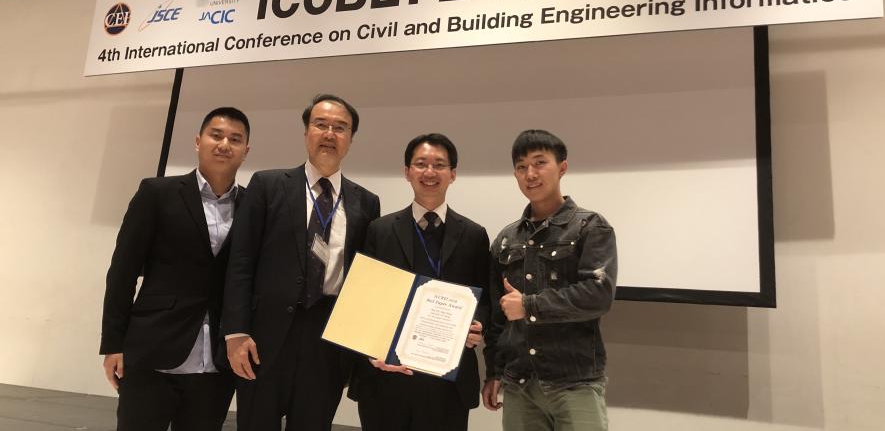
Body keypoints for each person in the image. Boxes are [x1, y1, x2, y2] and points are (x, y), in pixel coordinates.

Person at [221, 94, 380, 431]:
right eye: (320, 124)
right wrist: (235, 331)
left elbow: (365, 282)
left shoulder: (366, 202)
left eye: (340, 128)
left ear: (351, 139)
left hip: (328, 342)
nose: (329, 133)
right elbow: (241, 262)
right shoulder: (268, 185)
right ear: (306, 132)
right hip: (263, 340)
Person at [99, 107, 251, 431]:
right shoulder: (157, 193)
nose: (225, 144)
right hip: (152, 351)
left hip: (216, 364)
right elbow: (122, 272)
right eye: (216, 135)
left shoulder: (254, 206)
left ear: (246, 151)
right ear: (198, 141)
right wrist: (113, 344)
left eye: (235, 139)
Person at [349, 133, 491, 431]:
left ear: (452, 174)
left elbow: (485, 301)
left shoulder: (474, 235)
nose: (429, 172)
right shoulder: (379, 230)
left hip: (446, 383)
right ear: (407, 172)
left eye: (439, 165)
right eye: (421, 164)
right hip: (387, 376)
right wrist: (370, 350)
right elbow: (361, 300)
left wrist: (477, 325)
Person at [481, 129, 618, 431]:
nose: (530, 174)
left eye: (540, 162)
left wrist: (530, 306)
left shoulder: (590, 227)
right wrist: (493, 372)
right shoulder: (505, 240)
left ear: (562, 167)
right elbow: (496, 318)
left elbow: (598, 294)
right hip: (518, 383)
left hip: (574, 380)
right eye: (521, 166)